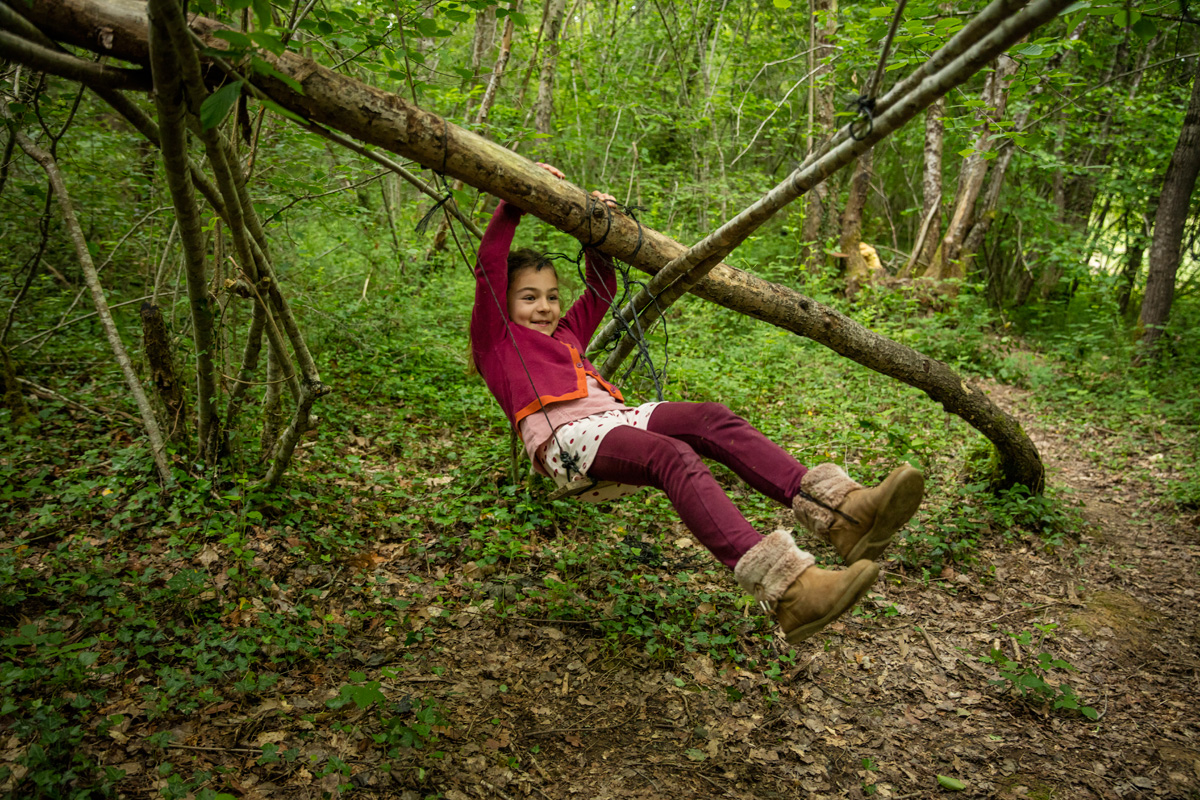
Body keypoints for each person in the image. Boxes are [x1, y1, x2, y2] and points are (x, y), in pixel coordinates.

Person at [470, 164, 924, 643]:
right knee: (673, 457)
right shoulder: (496, 340)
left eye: (550, 297)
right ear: (503, 302)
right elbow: (489, 263)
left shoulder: (565, 334)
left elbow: (601, 287)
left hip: (614, 418)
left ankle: (843, 513)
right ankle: (792, 590)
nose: (543, 307)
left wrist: (595, 225)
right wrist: (515, 198)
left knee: (711, 418)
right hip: (568, 441)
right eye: (528, 297)